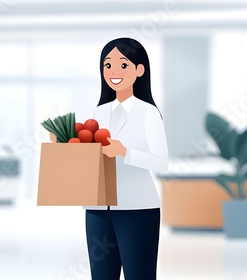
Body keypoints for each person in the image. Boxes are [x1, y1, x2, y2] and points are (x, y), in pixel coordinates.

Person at [51, 38, 169, 279]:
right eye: (107, 65)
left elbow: (161, 162)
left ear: (139, 70)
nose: (113, 72)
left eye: (122, 65)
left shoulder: (148, 113)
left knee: (139, 274)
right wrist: (65, 147)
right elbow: (93, 155)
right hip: (98, 208)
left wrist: (125, 152)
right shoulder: (100, 111)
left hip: (137, 208)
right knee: (101, 275)